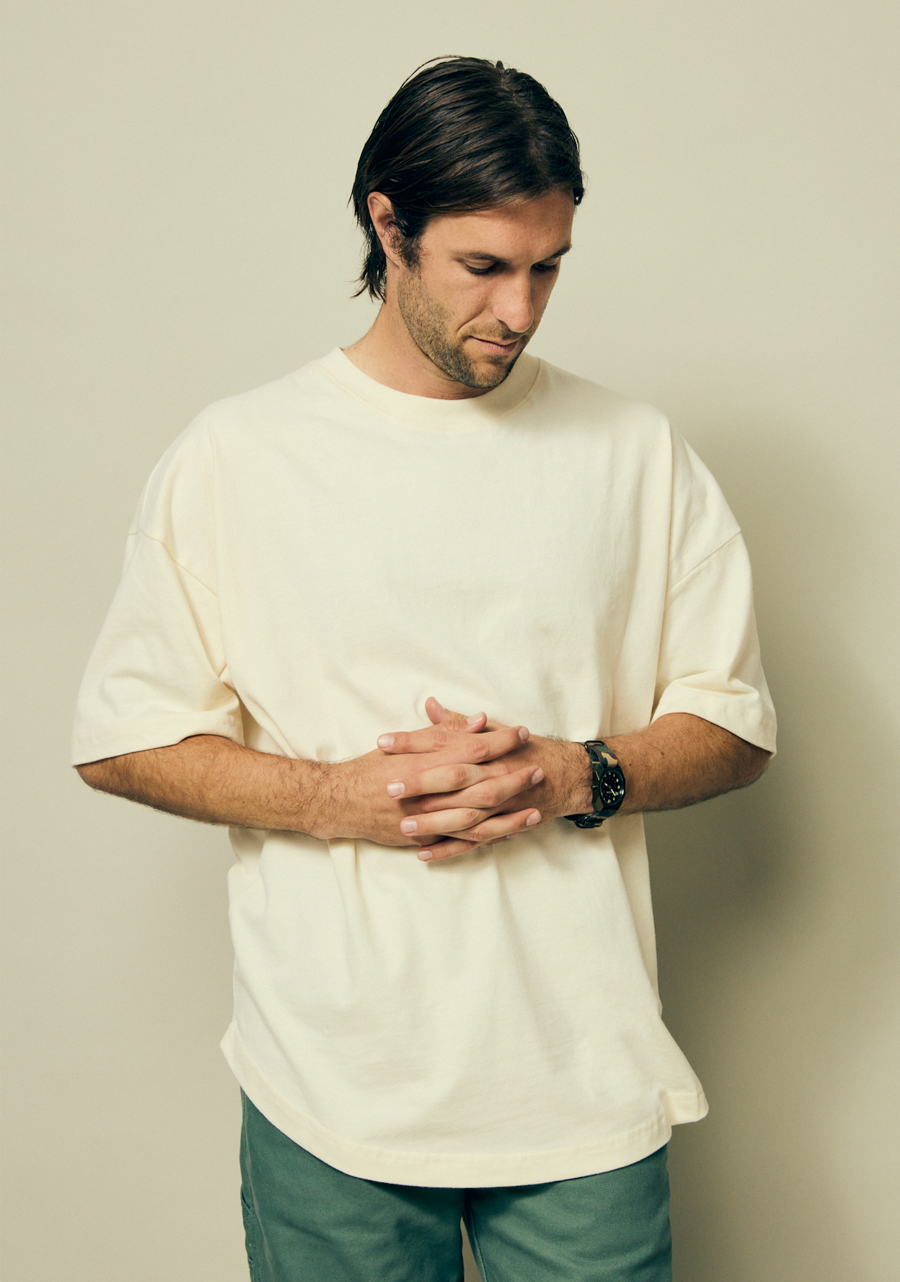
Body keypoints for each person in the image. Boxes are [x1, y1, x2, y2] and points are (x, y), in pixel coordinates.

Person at [73, 55, 776, 1282]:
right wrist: (331, 797)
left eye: (548, 267)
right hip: (330, 1084)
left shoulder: (636, 451)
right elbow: (121, 736)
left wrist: (576, 772)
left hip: (581, 1077)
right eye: (484, 266)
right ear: (387, 225)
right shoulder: (239, 455)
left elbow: (734, 723)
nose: (522, 308)